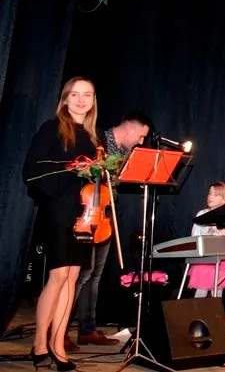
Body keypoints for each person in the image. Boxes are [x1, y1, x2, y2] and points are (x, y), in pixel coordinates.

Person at [23, 77, 102, 371]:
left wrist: (100, 172)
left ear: (93, 101)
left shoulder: (93, 137)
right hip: (58, 208)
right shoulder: (52, 128)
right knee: (58, 277)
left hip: (84, 213)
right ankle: (42, 343)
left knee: (72, 277)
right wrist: (72, 169)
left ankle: (54, 344)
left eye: (87, 95)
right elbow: (32, 171)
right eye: (75, 94)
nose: (81, 100)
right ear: (65, 98)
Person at [72, 111, 152, 348]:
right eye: (140, 136)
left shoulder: (126, 152)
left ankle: (87, 329)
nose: (141, 142)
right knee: (80, 275)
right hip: (86, 213)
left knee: (94, 275)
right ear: (128, 128)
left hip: (106, 215)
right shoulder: (96, 140)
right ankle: (59, 329)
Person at [188, 182, 225, 297]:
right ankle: (198, 308)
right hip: (205, 258)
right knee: (202, 288)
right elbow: (194, 236)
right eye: (209, 193)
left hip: (221, 258)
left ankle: (216, 308)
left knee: (218, 288)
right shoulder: (202, 214)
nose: (210, 196)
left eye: (215, 194)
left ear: (224, 200)